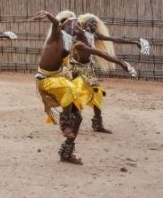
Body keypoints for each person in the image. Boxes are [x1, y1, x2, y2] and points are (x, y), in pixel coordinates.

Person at [32, 10, 86, 164]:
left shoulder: (71, 41)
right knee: (70, 88)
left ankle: (67, 152)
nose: (78, 25)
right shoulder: (57, 35)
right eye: (75, 22)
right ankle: (65, 123)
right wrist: (50, 16)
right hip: (47, 79)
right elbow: (56, 23)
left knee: (79, 117)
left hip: (59, 78)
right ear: (66, 24)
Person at [74, 14, 138, 133]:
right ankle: (69, 121)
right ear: (85, 23)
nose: (94, 25)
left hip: (87, 69)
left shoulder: (95, 36)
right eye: (91, 22)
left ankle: (98, 123)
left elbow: (115, 39)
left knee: (97, 93)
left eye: (95, 23)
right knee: (75, 93)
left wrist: (134, 42)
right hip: (75, 68)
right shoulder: (79, 34)